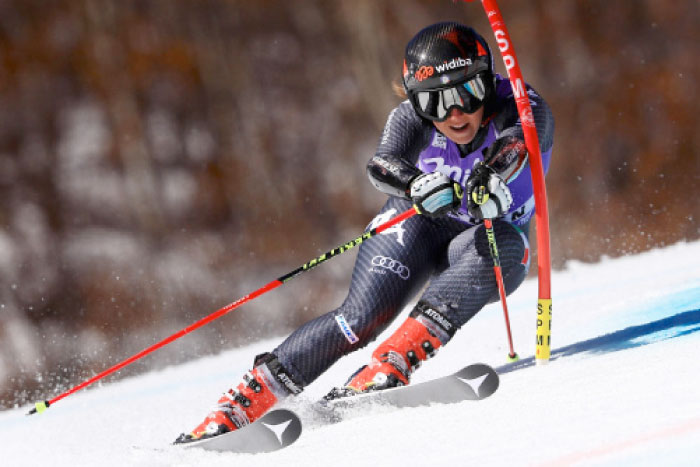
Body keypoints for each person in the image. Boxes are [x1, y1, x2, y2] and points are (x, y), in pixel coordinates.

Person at [175, 21, 554, 443]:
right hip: (415, 225)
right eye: (435, 102)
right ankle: (240, 405)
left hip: (479, 241)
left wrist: (488, 177)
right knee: (358, 320)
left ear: (488, 82)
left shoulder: (521, 104)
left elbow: (519, 143)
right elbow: (383, 162)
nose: (454, 113)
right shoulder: (411, 117)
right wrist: (414, 183)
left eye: (466, 93)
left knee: (506, 246)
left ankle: (388, 365)